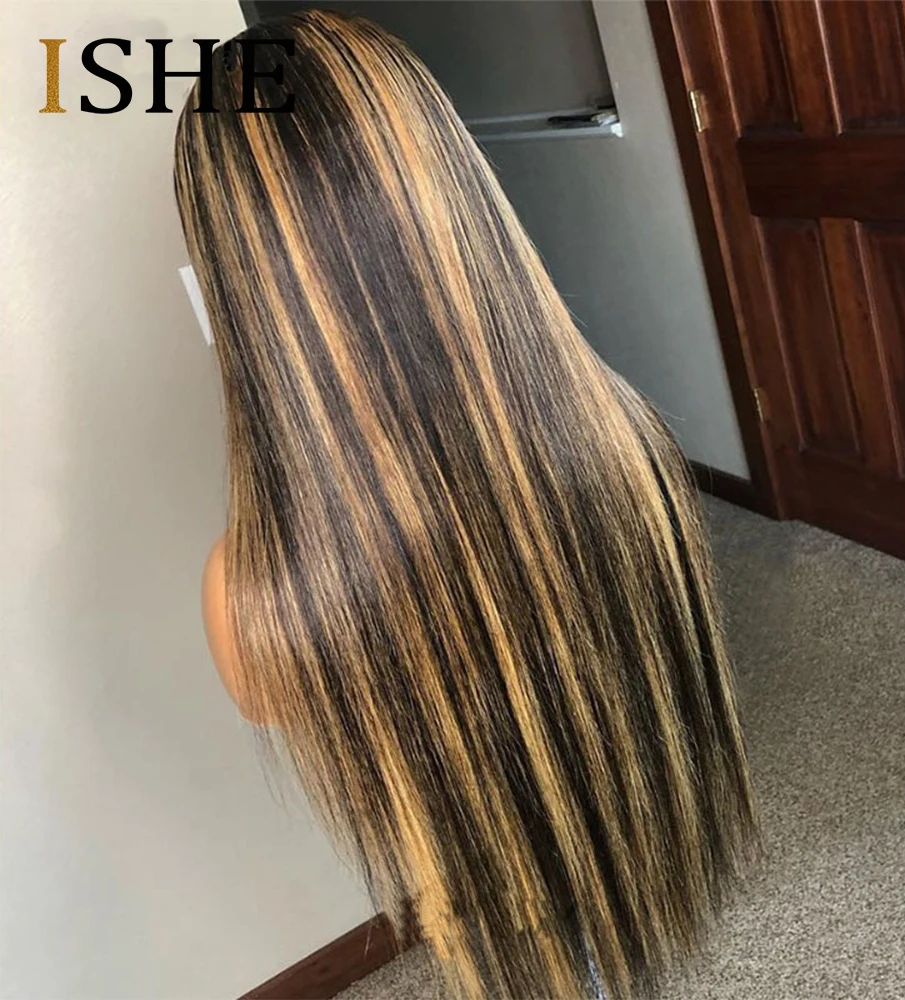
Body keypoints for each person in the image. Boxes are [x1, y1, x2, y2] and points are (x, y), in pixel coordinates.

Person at [176, 10, 757, 999]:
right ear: (454, 188)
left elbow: (264, 698)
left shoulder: (254, 591)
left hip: (490, 899)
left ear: (240, 278)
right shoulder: (628, 441)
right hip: (610, 851)